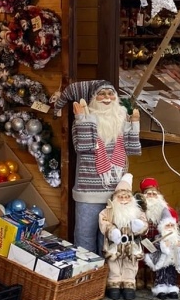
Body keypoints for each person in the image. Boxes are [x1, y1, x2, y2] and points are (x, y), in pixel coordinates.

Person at [52, 80, 141, 253]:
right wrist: (82, 118)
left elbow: (132, 148)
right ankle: (88, 273)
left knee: (108, 236)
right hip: (88, 191)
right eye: (102, 94)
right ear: (93, 98)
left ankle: (105, 274)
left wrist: (134, 124)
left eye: (110, 93)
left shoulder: (122, 119)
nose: (107, 97)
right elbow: (83, 147)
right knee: (84, 234)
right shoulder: (84, 120)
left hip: (115, 192)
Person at [98, 173, 147, 300]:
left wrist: (139, 227)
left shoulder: (137, 211)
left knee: (130, 263)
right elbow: (103, 221)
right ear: (115, 198)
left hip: (131, 244)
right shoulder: (108, 211)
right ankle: (114, 283)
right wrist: (111, 230)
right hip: (115, 243)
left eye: (126, 197)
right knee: (114, 263)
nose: (124, 200)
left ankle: (129, 283)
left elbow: (144, 223)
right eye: (121, 197)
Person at [144, 216, 180, 300]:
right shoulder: (159, 237)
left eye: (172, 226)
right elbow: (154, 246)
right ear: (162, 227)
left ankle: (171, 287)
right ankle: (160, 288)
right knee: (161, 274)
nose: (170, 228)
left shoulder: (177, 237)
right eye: (168, 226)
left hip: (172, 261)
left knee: (171, 273)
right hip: (162, 261)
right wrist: (163, 245)